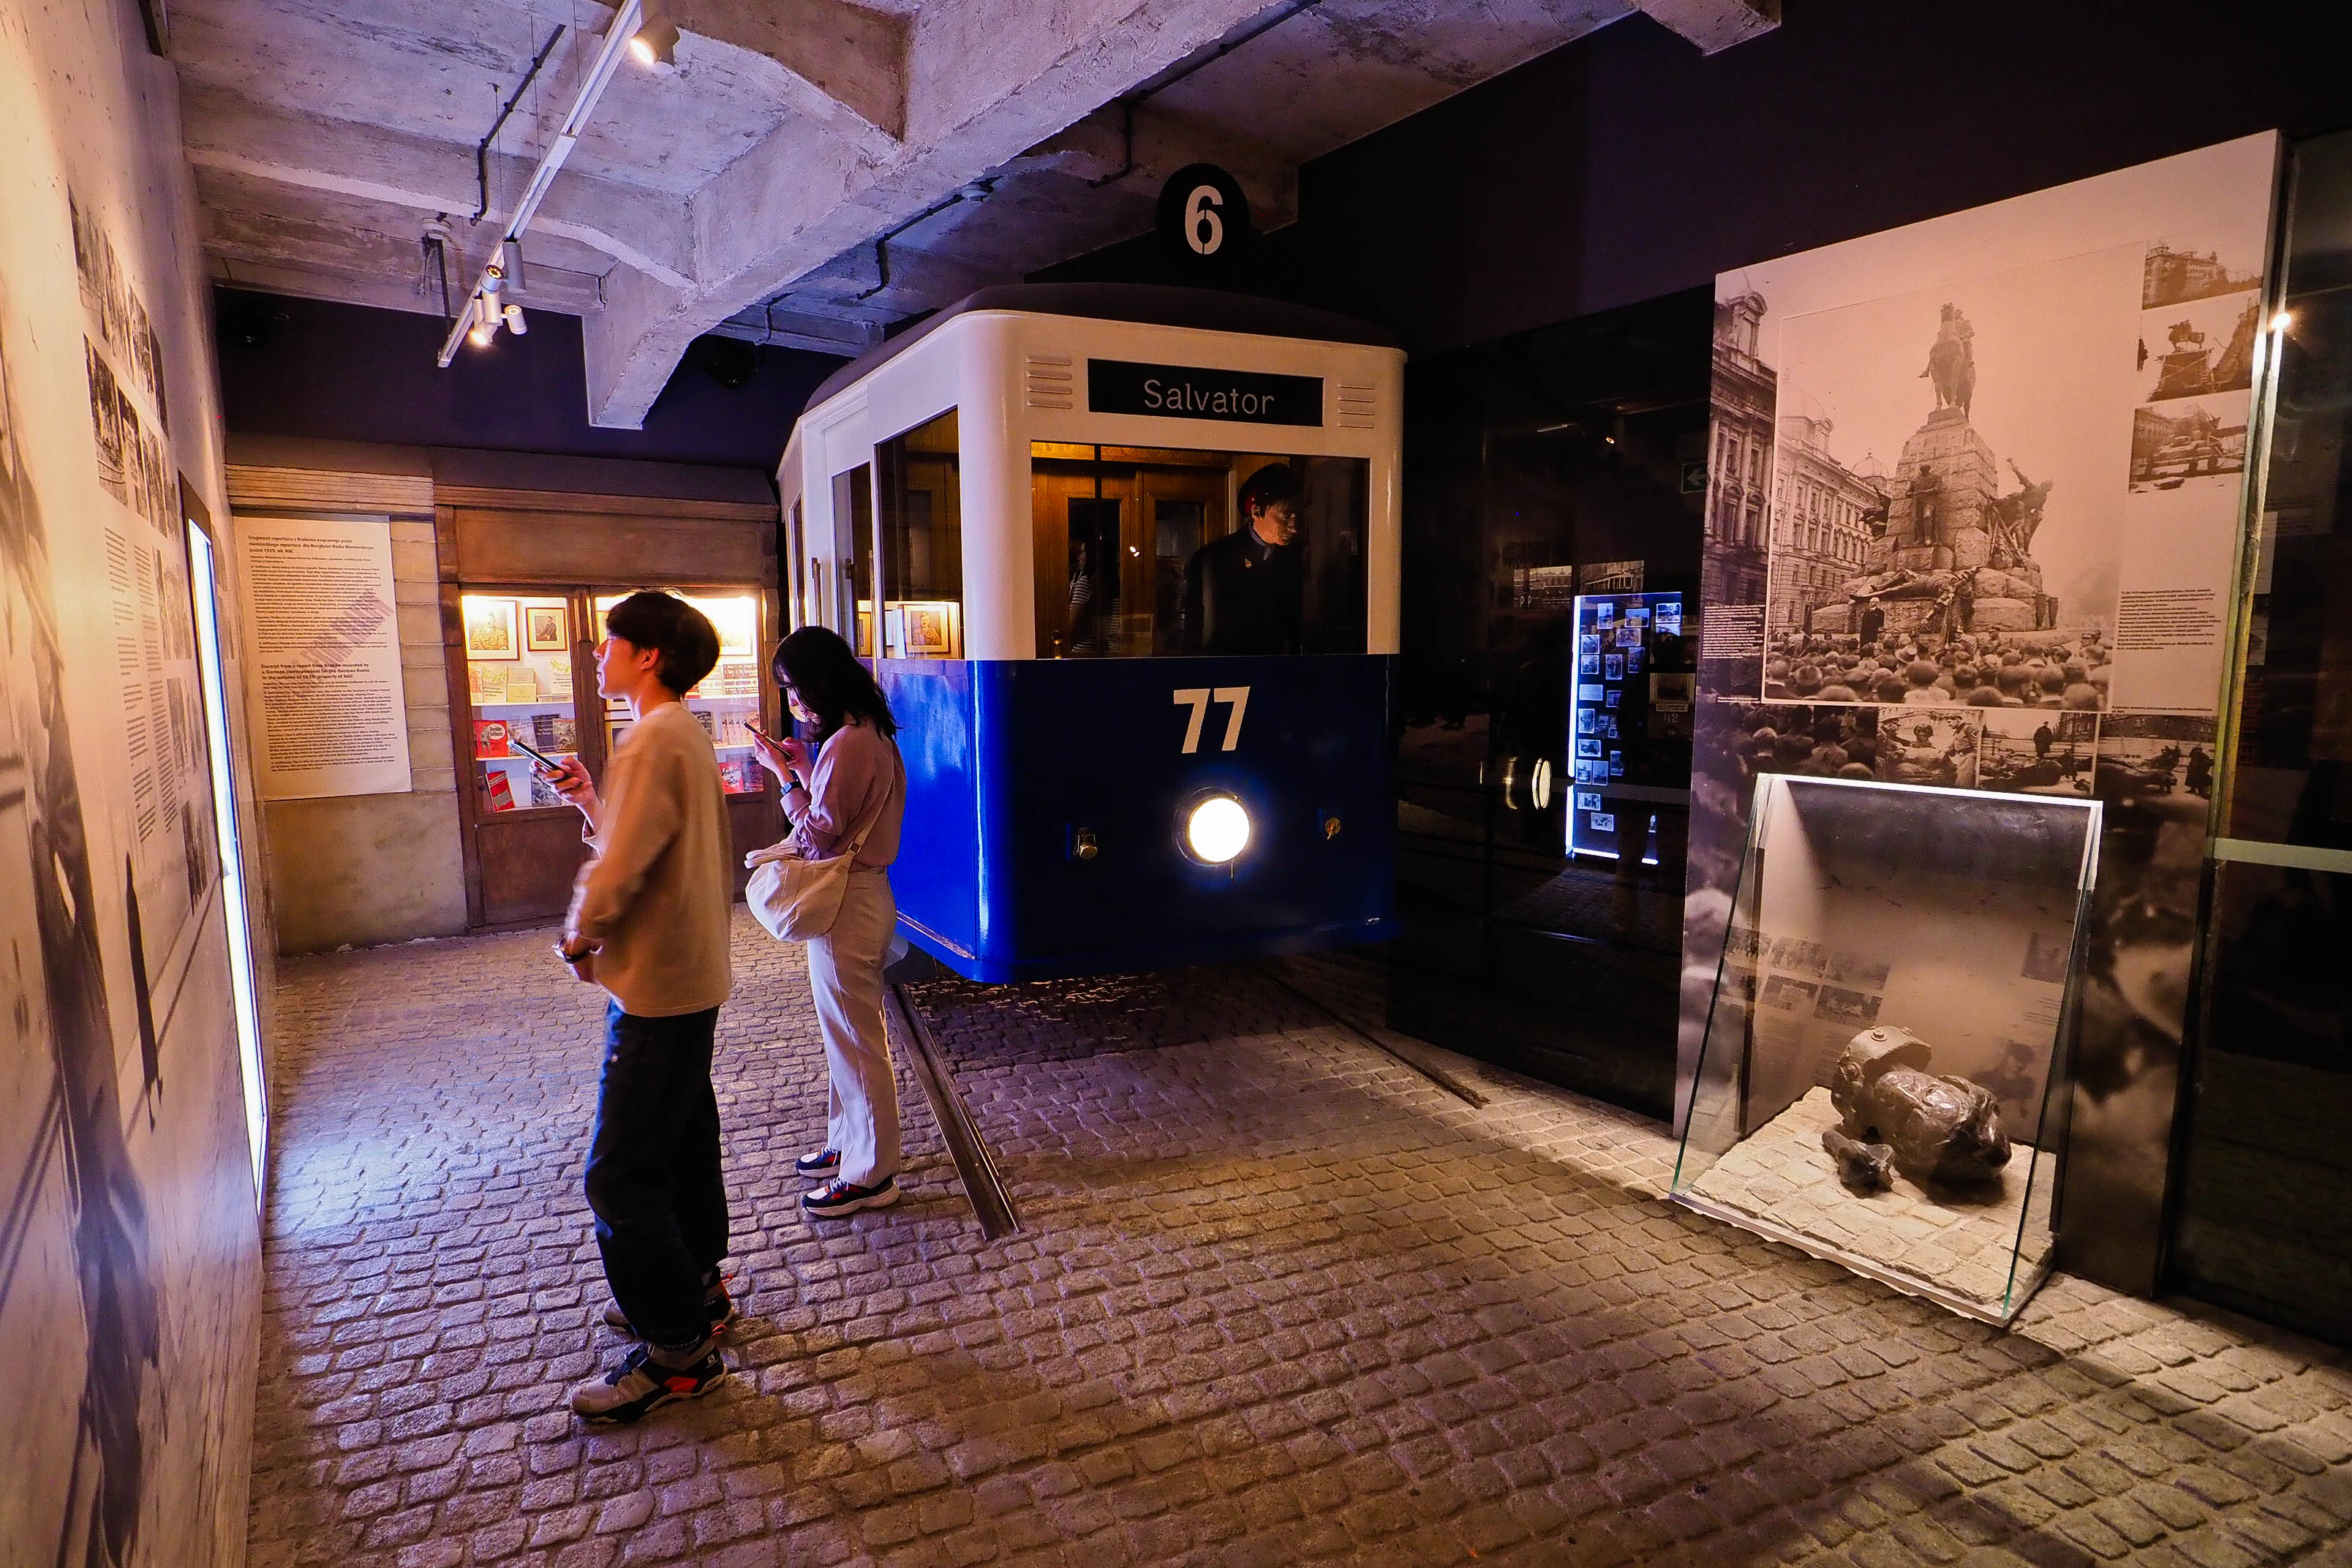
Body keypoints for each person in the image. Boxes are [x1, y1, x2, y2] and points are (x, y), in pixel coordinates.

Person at [541, 592, 736, 1425]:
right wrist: (593, 800)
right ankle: (698, 1285)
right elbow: (643, 842)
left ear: (648, 654)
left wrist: (579, 936)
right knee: (681, 1140)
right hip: (689, 978)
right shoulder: (681, 731)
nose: (598, 653)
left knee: (618, 1174)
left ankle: (679, 1353)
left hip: (657, 990)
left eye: (610, 640)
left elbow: (619, 868)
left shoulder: (654, 736)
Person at [751, 625, 908, 1218]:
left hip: (849, 903)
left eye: (796, 688)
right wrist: (805, 768)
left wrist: (784, 779)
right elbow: (844, 813)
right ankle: (849, 1143)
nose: (794, 701)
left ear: (822, 680)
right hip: (863, 896)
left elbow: (818, 837)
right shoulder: (867, 733)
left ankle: (872, 1174)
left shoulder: (849, 742)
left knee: (856, 1039)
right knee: (848, 1033)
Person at [1179, 462, 1305, 655]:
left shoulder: (1296, 557)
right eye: (1286, 516)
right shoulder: (1214, 558)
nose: (1294, 527)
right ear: (1256, 512)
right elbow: (1195, 635)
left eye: (1297, 516)